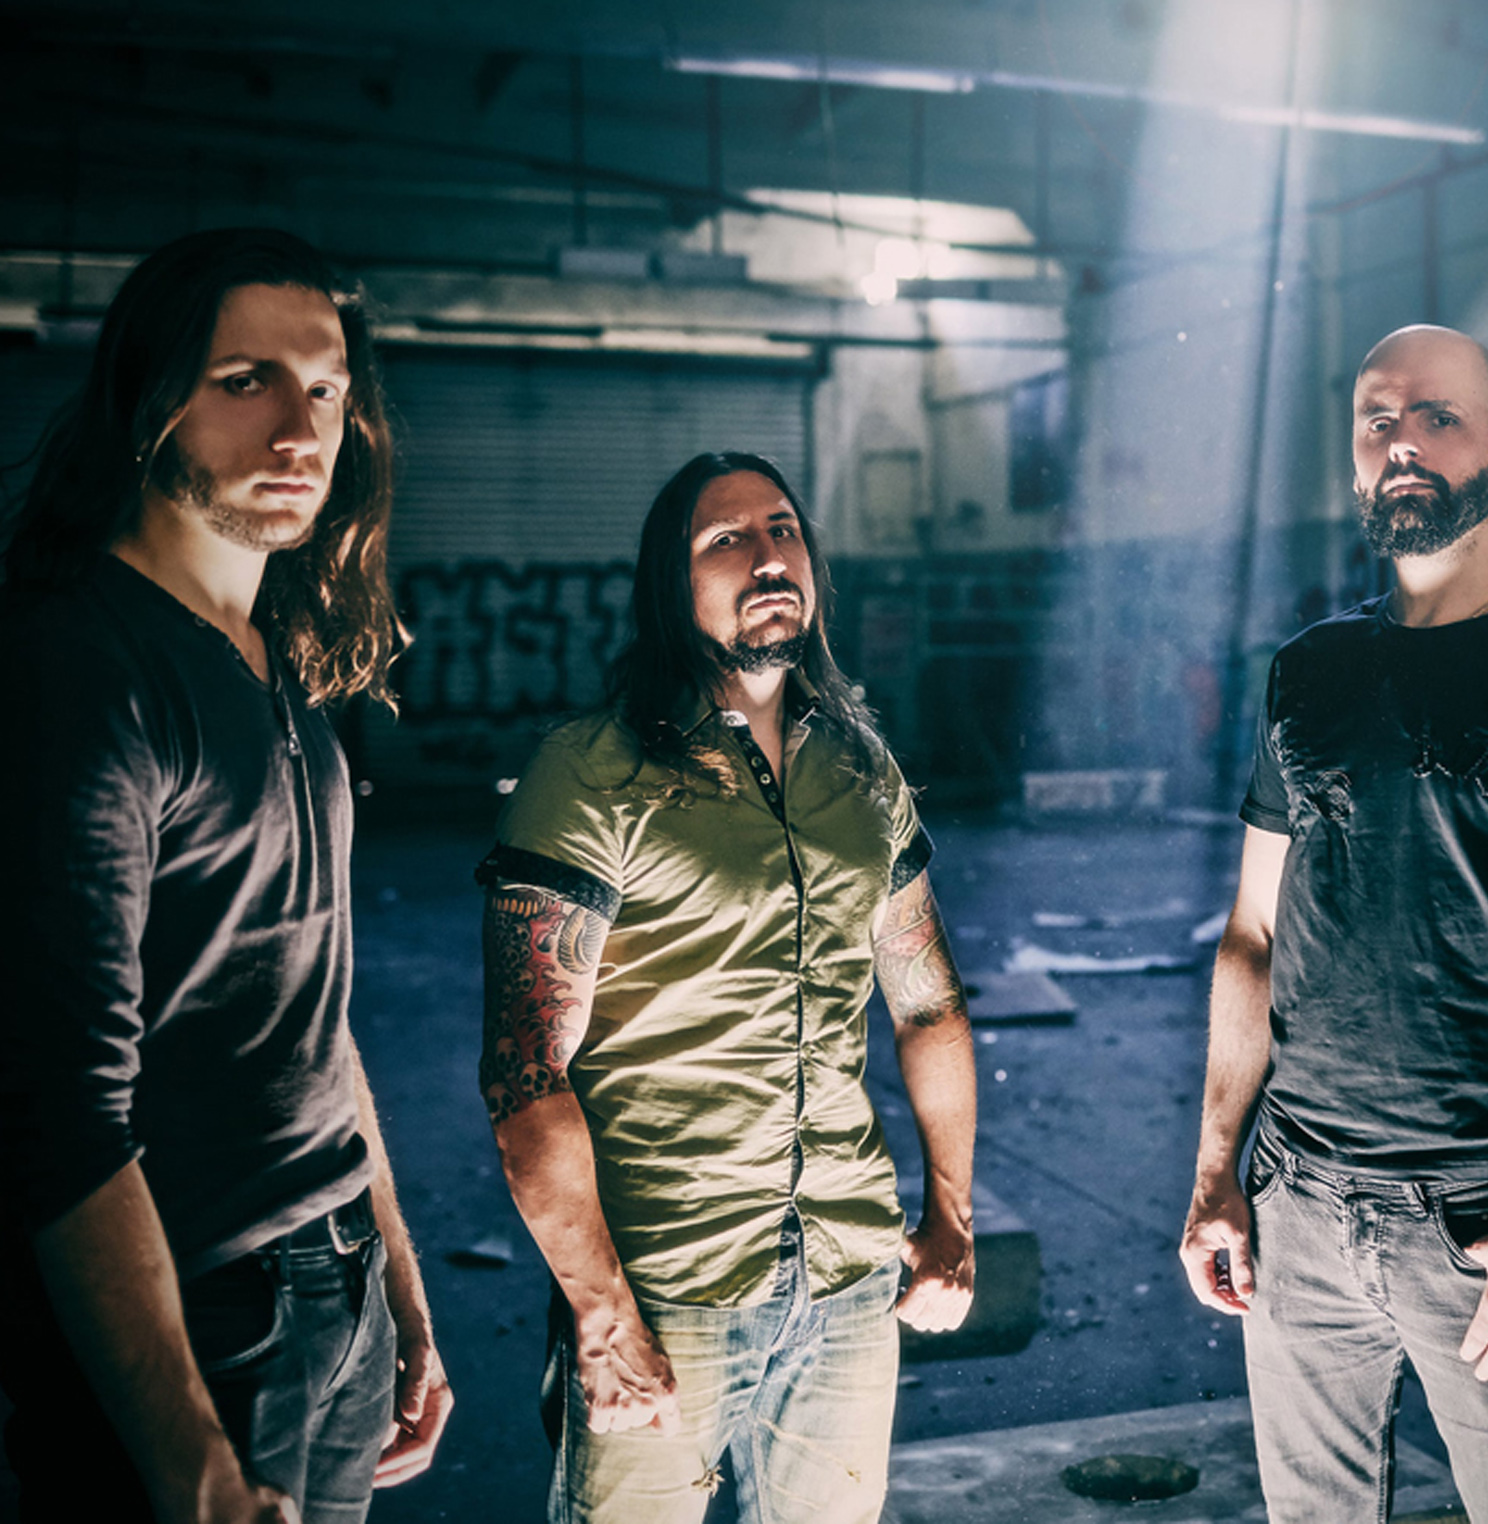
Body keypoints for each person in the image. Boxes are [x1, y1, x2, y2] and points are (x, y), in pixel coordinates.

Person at [0, 229, 452, 1523]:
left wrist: (398, 1285)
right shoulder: (79, 671)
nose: (299, 430)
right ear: (150, 400)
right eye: (244, 380)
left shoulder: (281, 663)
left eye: (323, 389)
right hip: (192, 1323)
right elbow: (57, 1112)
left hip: (336, 1295)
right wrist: (189, 1464)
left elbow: (315, 1020)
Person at [1179, 325, 1488, 1521]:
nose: (1402, 442)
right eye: (1378, 420)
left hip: (1484, 1218)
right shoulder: (1308, 671)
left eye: (1439, 417)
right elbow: (1251, 937)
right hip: (1297, 1204)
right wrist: (1216, 1173)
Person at [478, 451, 977, 1524]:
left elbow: (929, 1006)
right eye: (728, 539)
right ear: (674, 585)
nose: (768, 557)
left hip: (848, 1274)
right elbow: (525, 1075)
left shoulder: (862, 772)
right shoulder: (591, 773)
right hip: (669, 1285)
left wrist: (952, 1215)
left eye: (783, 529)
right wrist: (602, 1316)